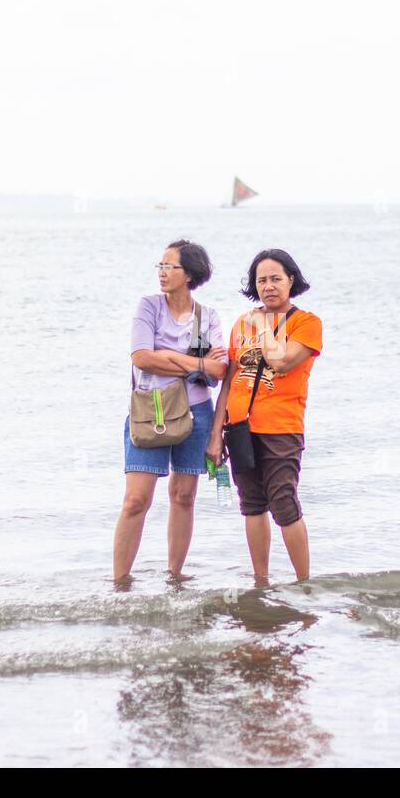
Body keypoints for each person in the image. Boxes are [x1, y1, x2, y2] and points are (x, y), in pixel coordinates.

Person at [113, 240, 227, 582]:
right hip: (151, 410)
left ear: (189, 274)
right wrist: (195, 363)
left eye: (170, 267)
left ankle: (175, 577)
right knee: (136, 499)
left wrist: (170, 358)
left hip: (197, 413)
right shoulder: (148, 307)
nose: (162, 273)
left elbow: (219, 371)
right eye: (159, 266)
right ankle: (120, 583)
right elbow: (141, 357)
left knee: (183, 496)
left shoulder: (207, 317)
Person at [206, 249, 322, 582]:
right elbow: (227, 381)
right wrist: (216, 434)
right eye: (261, 280)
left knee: (284, 502)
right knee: (252, 504)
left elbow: (283, 361)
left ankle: (304, 583)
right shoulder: (242, 322)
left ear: (291, 280)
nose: (268, 286)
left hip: (281, 428)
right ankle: (261, 582)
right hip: (240, 427)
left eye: (275, 279)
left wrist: (262, 326)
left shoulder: (306, 322)